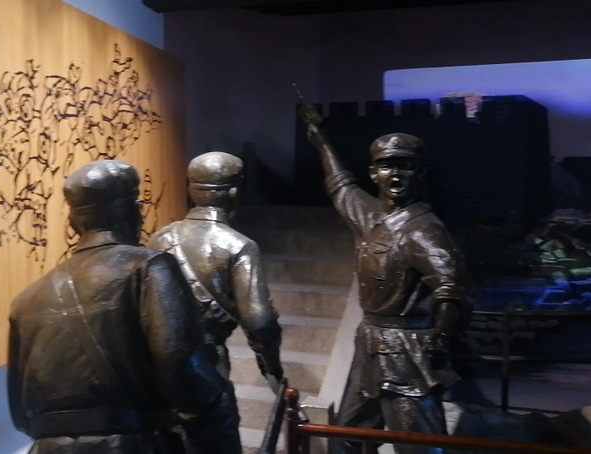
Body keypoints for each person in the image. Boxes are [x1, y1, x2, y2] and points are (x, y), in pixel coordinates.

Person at [7, 159, 242, 454]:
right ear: (135, 213)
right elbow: (185, 370)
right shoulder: (149, 267)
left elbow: (21, 415)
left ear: (73, 222)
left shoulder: (25, 301)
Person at [300, 105, 471, 454]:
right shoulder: (372, 217)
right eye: (386, 166)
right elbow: (340, 185)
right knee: (349, 436)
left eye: (404, 166)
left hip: (407, 355)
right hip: (371, 347)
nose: (395, 174)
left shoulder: (423, 230)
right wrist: (321, 141)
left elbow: (452, 289)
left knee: (419, 446)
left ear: (419, 172)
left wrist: (438, 344)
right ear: (374, 173)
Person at [149, 151, 284, 390]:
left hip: (160, 363)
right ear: (234, 193)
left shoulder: (160, 238)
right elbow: (260, 323)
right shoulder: (239, 247)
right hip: (208, 364)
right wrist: (273, 369)